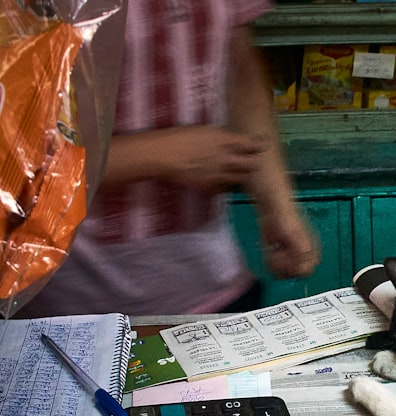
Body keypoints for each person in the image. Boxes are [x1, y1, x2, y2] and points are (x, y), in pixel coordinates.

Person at [21, 0, 319, 318]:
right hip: (68, 301)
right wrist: (159, 154)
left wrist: (278, 207)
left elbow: (239, 67)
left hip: (213, 286)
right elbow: (16, 156)